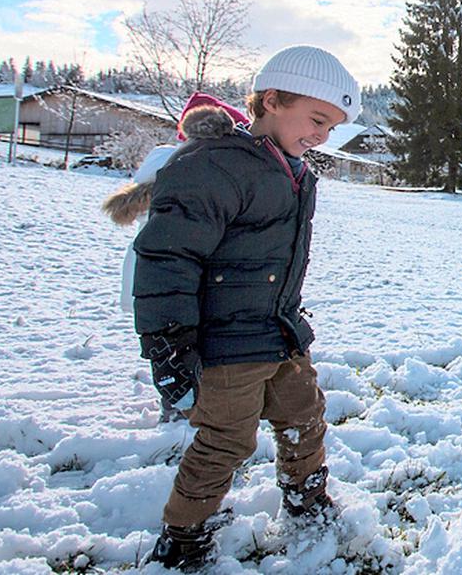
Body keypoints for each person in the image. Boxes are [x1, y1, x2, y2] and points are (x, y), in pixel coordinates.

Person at [133, 45, 361, 570]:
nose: (323, 135)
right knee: (225, 441)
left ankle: (307, 501)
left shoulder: (292, 170)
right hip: (226, 343)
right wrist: (169, 342)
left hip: (277, 330)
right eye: (317, 119)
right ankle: (184, 534)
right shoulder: (215, 166)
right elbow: (168, 255)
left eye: (332, 127)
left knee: (305, 415)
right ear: (274, 100)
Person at [103, 93, 251, 422]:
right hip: (175, 279)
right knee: (181, 348)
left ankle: (178, 404)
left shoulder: (165, 164)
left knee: (171, 349)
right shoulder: (193, 172)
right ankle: (182, 411)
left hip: (152, 278)